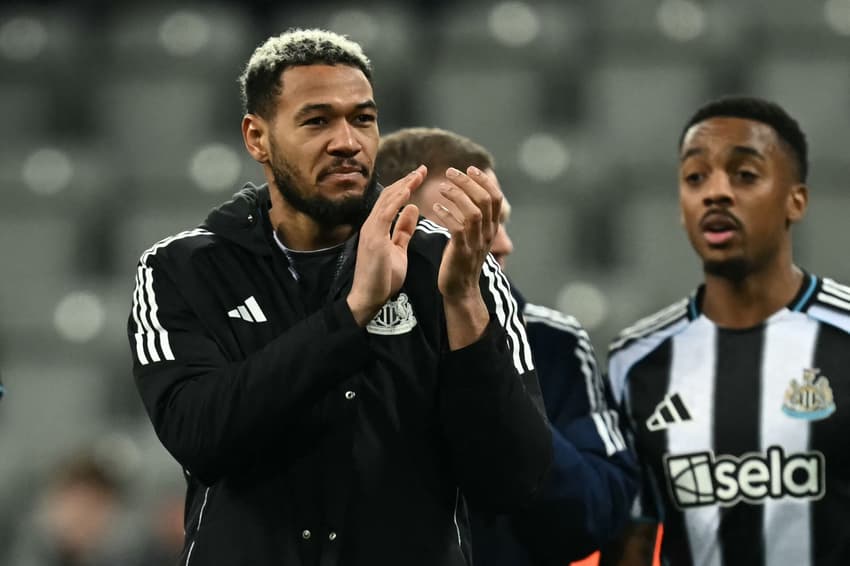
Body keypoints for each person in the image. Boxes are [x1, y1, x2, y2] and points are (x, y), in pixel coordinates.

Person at [127, 28, 552, 566]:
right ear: (257, 137)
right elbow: (199, 435)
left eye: (363, 119)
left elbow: (513, 482)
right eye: (317, 120)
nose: (347, 141)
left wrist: (463, 305)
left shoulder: (457, 267)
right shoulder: (180, 269)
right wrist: (354, 312)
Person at [605, 95, 850, 566]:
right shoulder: (636, 362)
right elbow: (632, 539)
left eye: (745, 175)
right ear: (682, 206)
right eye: (695, 178)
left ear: (795, 201)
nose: (715, 192)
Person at [376, 127, 638, 565]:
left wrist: (490, 369)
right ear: (396, 238)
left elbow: (592, 515)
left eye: (499, 221)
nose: (502, 243)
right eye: (473, 223)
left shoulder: (553, 344)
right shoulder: (344, 345)